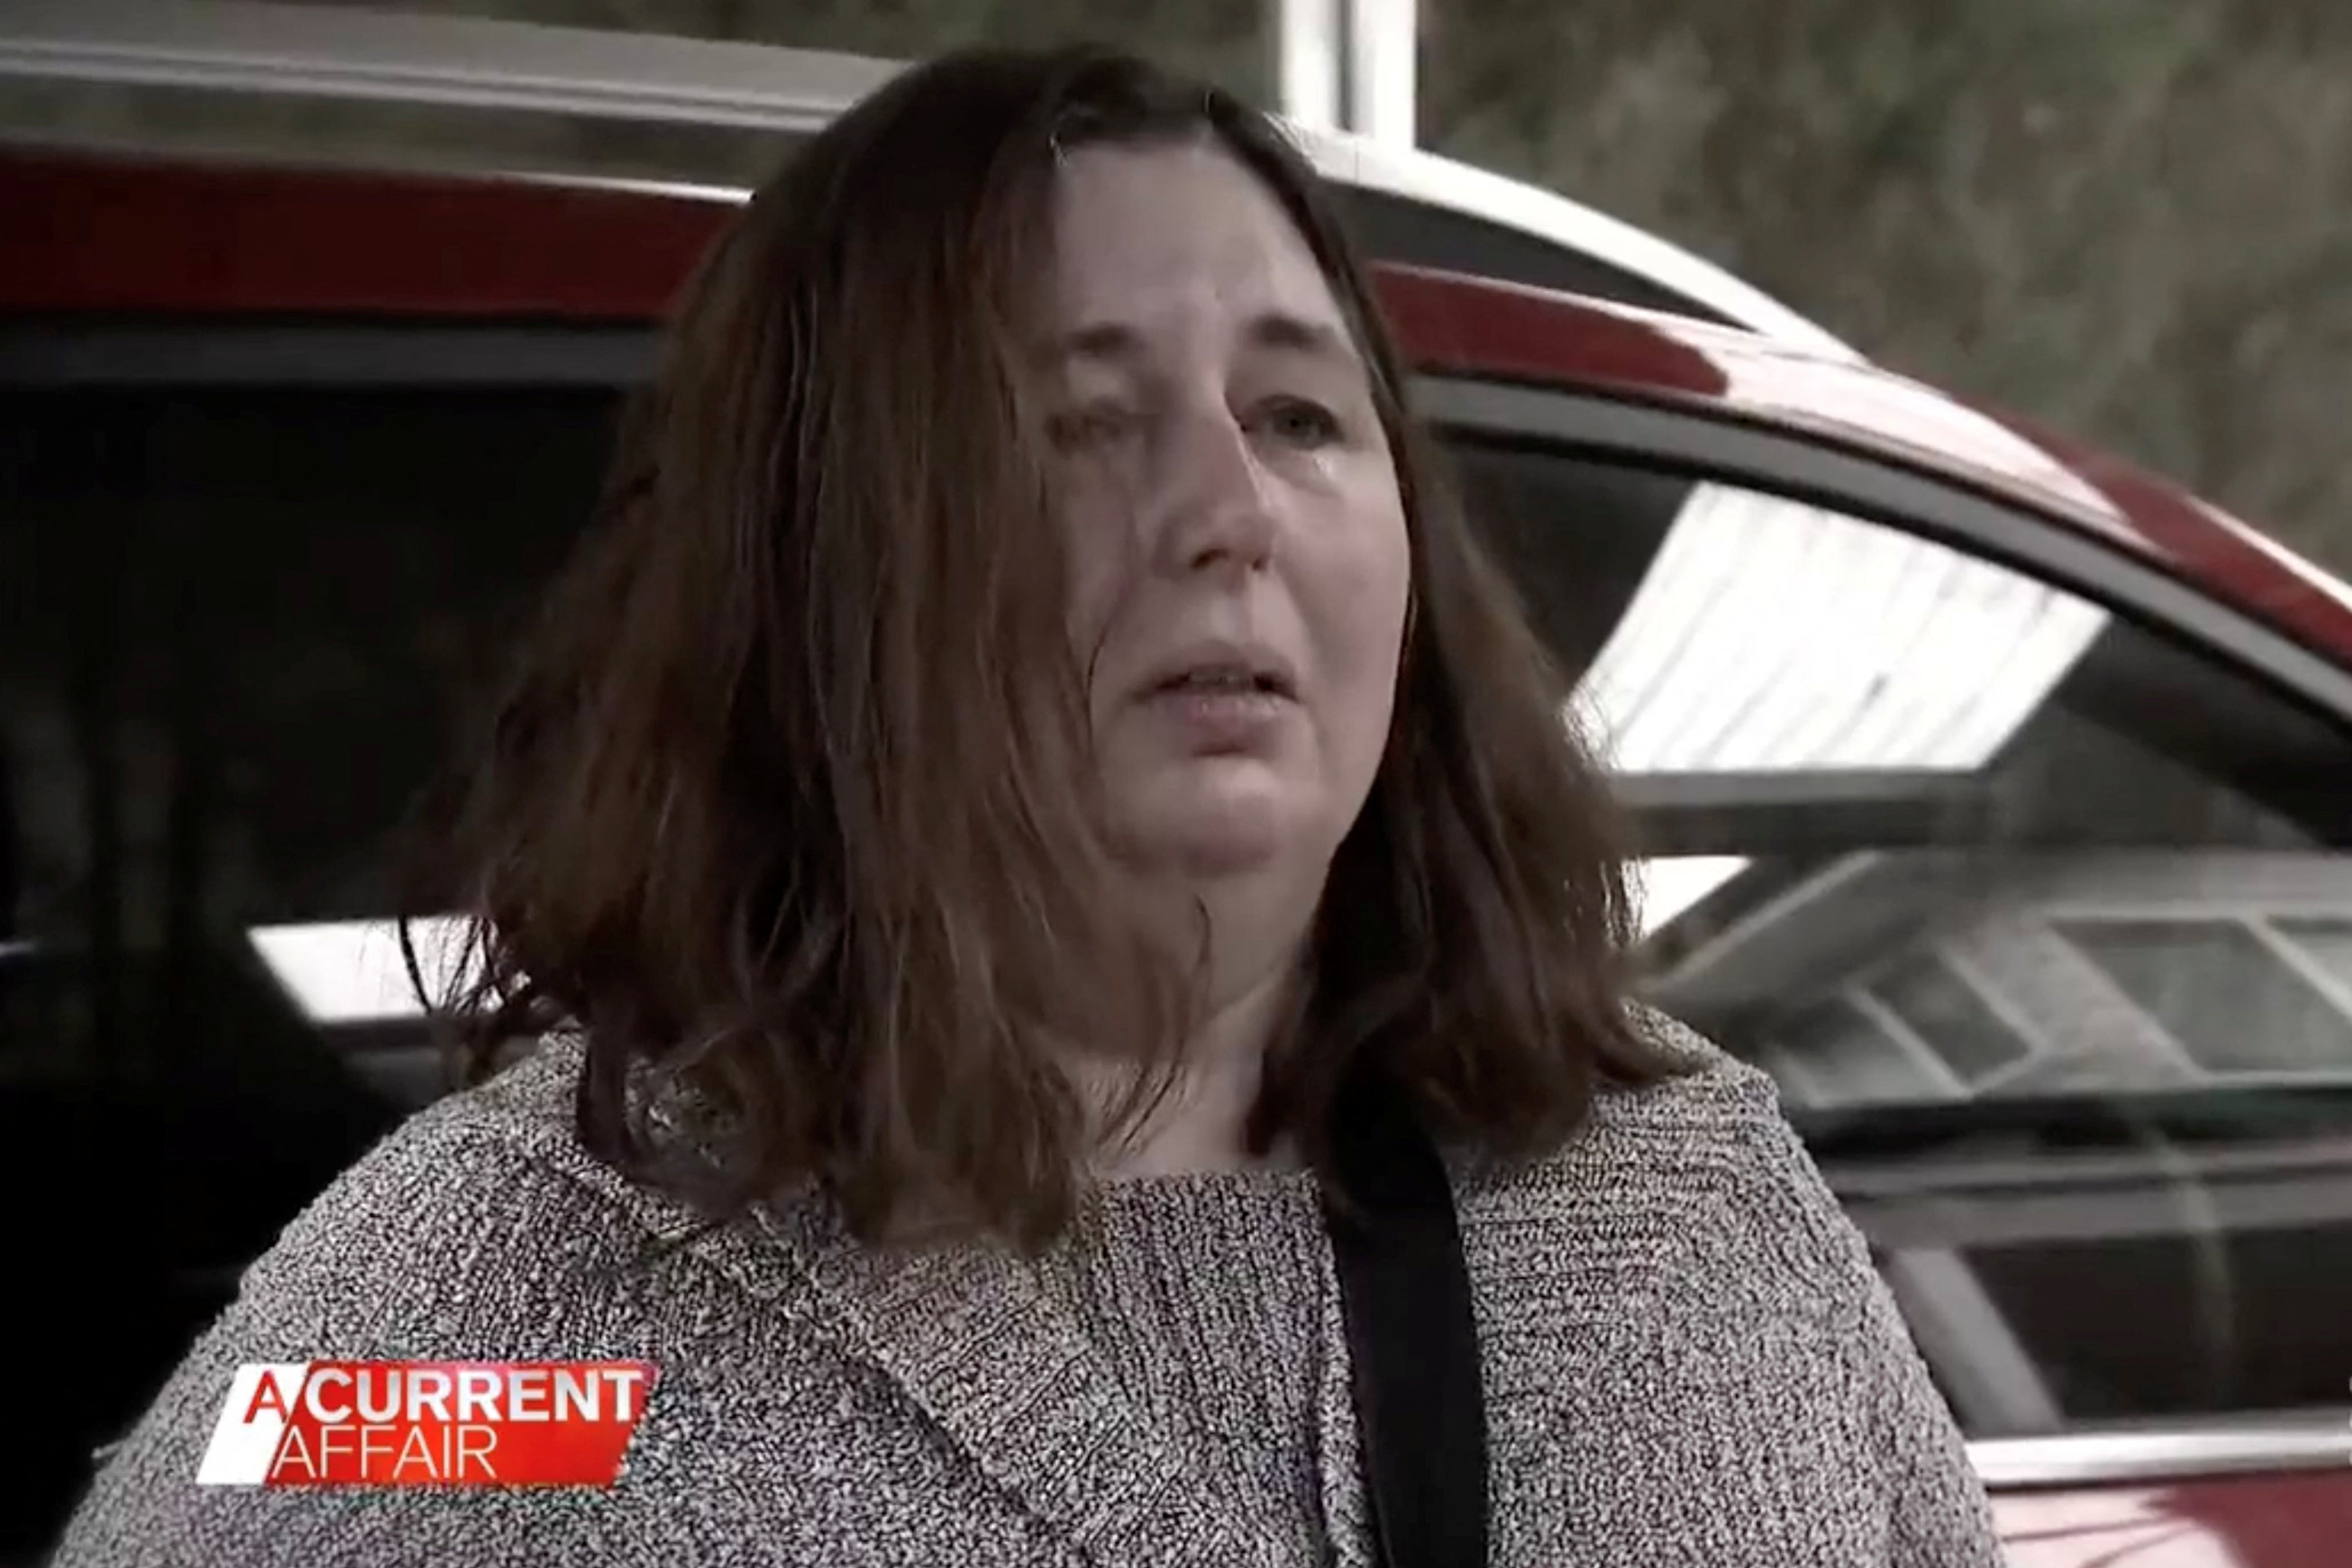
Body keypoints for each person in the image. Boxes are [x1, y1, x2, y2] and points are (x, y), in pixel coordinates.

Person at [50, 45, 2001, 1567]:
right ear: (827, 569)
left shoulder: (1695, 1221)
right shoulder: (490, 1338)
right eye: (1079, 421)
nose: (1225, 511)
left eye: (1301, 415)